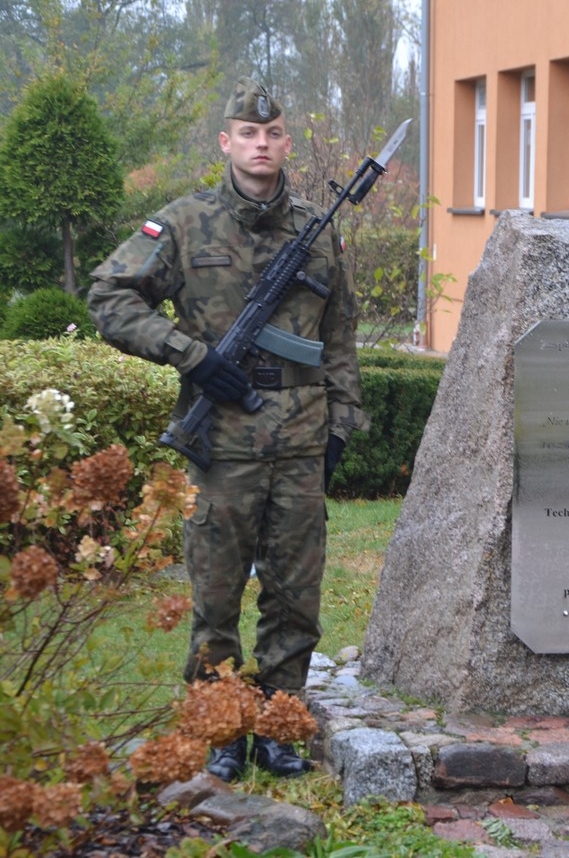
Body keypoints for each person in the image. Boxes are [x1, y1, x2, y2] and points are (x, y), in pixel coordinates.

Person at [88, 77, 367, 781]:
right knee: (215, 598)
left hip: (301, 442)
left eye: (272, 134)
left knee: (294, 599)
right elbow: (109, 295)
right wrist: (191, 357)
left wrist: (342, 422)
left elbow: (339, 336)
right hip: (223, 446)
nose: (261, 144)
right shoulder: (184, 223)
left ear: (287, 142)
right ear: (227, 142)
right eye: (248, 133)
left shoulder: (318, 228)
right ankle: (219, 727)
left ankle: (280, 727)